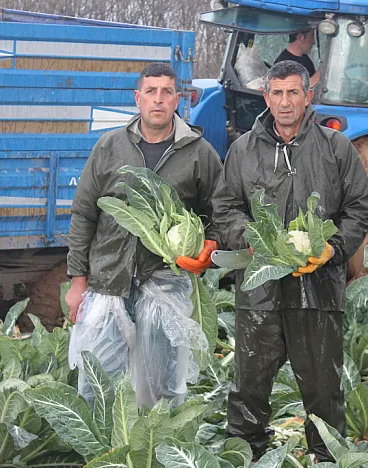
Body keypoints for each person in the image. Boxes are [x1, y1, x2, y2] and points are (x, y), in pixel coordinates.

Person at [212, 60, 368, 461]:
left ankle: (326, 457)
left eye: (293, 93)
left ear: (308, 96)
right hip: (260, 291)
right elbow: (225, 207)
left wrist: (332, 250)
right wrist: (253, 239)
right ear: (266, 97)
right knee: (249, 387)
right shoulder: (243, 150)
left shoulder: (336, 149)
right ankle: (244, 455)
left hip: (317, 290)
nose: (285, 102)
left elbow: (359, 209)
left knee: (323, 389)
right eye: (277, 93)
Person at [65, 62, 222, 406]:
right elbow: (84, 213)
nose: (158, 100)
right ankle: (104, 454)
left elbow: (220, 213)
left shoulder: (200, 153)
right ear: (138, 98)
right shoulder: (109, 147)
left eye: (167, 92)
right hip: (108, 280)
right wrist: (78, 280)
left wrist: (207, 249)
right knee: (98, 386)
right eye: (150, 91)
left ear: (178, 99)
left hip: (166, 280)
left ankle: (156, 450)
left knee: (164, 385)